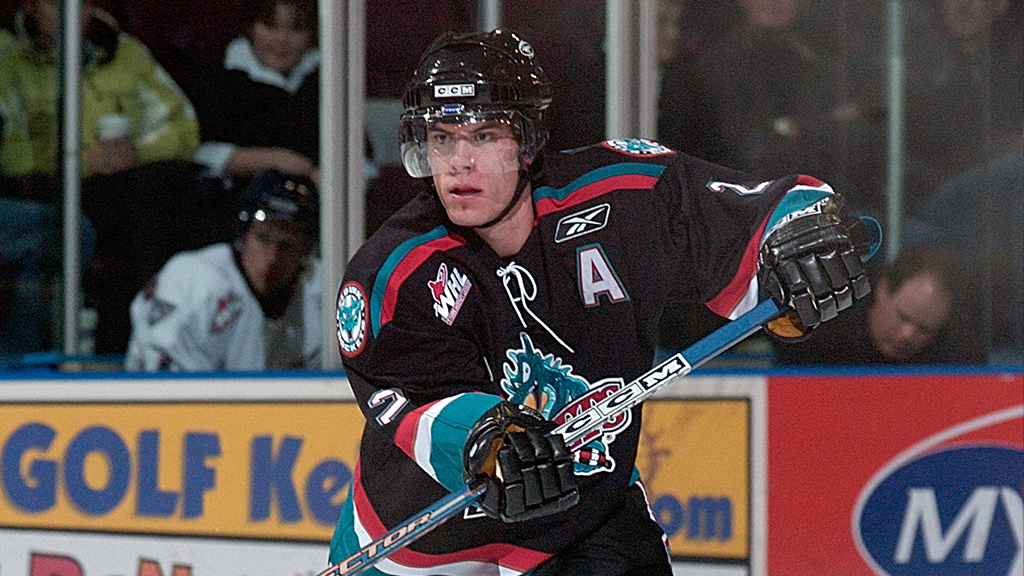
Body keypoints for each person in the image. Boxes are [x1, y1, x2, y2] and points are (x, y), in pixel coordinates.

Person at [329, 30, 874, 575]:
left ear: (527, 139)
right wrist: (486, 439)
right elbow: (417, 401)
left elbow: (756, 211)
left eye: (484, 135)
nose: (457, 162)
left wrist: (796, 239)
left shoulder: (618, 194)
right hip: (421, 535)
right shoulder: (394, 271)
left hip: (579, 512)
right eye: (442, 138)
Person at [0, 0, 210, 355]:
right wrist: (83, 161)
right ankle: (42, 358)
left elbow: (184, 127)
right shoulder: (10, 60)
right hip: (50, 193)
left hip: (127, 187)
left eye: (81, 4)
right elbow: (11, 152)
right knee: (98, 226)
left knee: (168, 197)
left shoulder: (126, 52)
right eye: (56, 4)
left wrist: (136, 152)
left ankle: (146, 344)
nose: (72, 13)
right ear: (33, 7)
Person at [124, 169, 321, 371]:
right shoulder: (192, 279)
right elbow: (163, 387)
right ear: (244, 235)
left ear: (305, 250)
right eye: (263, 238)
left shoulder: (323, 291)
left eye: (287, 245)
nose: (272, 259)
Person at [773, 243, 984, 365]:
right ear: (883, 290)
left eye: (924, 329)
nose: (906, 336)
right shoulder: (821, 338)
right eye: (903, 317)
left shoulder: (956, 361)